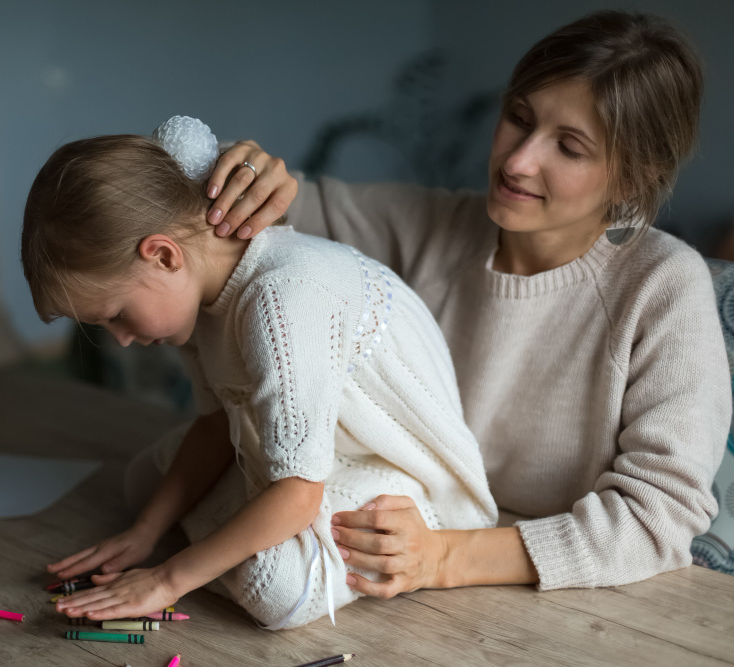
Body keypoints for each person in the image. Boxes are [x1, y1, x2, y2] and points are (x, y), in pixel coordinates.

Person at [201, 10, 731, 596]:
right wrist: (244, 170)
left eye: (570, 147)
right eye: (518, 118)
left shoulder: (665, 286)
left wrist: (443, 559)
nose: (517, 161)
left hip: (569, 601)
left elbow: (660, 518)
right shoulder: (433, 225)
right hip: (395, 574)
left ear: (634, 176)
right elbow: (246, 203)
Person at [21, 118, 497, 628]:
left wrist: (167, 579)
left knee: (272, 586)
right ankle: (228, 531)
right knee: (144, 483)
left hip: (387, 465)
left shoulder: (282, 300)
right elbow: (213, 427)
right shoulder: (193, 299)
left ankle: (257, 533)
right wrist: (144, 532)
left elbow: (298, 492)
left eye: (116, 314)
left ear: (162, 255)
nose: (121, 338)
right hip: (309, 456)